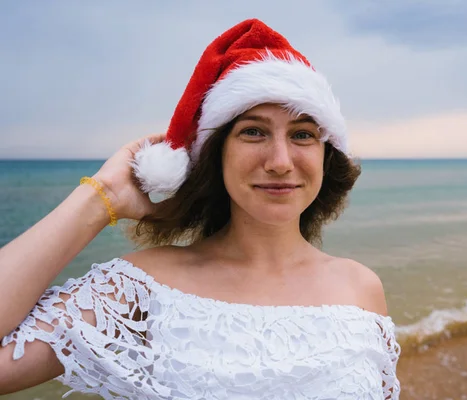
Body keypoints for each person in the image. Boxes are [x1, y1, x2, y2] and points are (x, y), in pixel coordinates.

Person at [0, 18, 401, 399]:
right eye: (253, 132)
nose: (280, 161)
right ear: (215, 154)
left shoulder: (360, 288)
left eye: (302, 134)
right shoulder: (142, 286)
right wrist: (99, 198)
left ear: (325, 156)